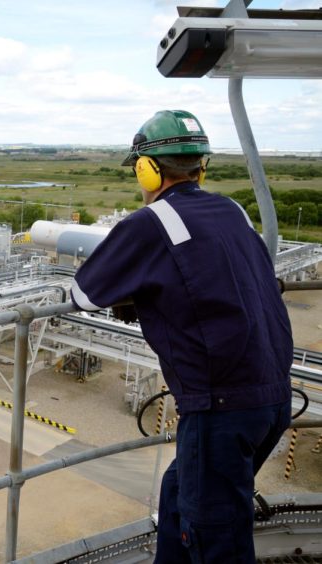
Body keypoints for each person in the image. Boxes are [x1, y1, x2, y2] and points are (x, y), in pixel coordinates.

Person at [70, 110, 293, 562]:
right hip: (274, 397)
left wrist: (135, 293)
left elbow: (82, 294)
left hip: (221, 408)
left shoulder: (151, 222)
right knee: (178, 495)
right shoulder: (232, 210)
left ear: (146, 168)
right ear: (201, 167)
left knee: (215, 538)